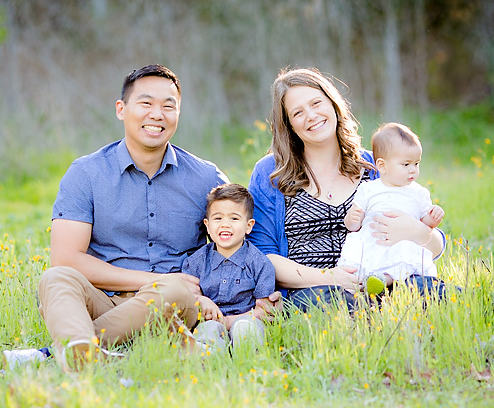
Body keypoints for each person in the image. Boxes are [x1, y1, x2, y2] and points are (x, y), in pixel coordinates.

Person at [35, 64, 232, 371]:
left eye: (169, 106)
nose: (157, 114)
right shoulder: (86, 174)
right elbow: (66, 259)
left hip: (173, 304)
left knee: (176, 290)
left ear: (178, 114)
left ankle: (66, 352)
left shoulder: (206, 177)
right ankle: (100, 349)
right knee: (56, 277)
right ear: (121, 109)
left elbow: (235, 247)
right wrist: (155, 280)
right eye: (146, 103)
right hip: (104, 298)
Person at [247, 68, 446, 312]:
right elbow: (263, 258)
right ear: (288, 125)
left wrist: (418, 232)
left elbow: (435, 246)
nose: (311, 115)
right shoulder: (271, 175)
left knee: (437, 293)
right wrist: (330, 277)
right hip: (312, 291)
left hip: (385, 281)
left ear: (333, 104)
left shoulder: (376, 166)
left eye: (316, 103)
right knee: (343, 307)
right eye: (298, 112)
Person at [339, 122, 445, 297]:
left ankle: (385, 279)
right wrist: (352, 219)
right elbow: (353, 225)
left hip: (401, 243)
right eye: (406, 164)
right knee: (357, 257)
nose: (413, 170)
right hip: (373, 241)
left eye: (416, 164)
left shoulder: (418, 192)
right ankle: (359, 286)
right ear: (382, 165)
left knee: (406, 257)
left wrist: (433, 219)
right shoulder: (369, 189)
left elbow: (426, 223)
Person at [181, 183, 276, 350]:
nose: (225, 224)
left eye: (234, 218)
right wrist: (201, 300)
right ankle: (211, 366)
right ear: (207, 225)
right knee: (207, 330)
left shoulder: (259, 263)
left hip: (247, 319)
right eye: (218, 218)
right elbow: (187, 296)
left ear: (249, 226)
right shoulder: (196, 262)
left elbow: (264, 310)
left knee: (246, 328)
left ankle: (248, 369)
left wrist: (228, 322)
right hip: (209, 321)